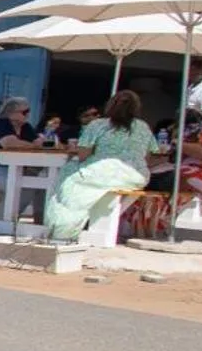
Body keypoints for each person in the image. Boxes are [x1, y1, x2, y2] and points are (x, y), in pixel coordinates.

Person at [45, 89, 156, 241]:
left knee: (69, 179)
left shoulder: (98, 125)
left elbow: (83, 154)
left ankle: (61, 229)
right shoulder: (143, 127)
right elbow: (148, 157)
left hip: (105, 171)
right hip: (136, 176)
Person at [0, 97, 42, 195]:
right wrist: (33, 145)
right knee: (17, 188)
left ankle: (30, 210)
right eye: (25, 112)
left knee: (37, 182)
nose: (28, 115)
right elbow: (10, 143)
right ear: (11, 112)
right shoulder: (1, 124)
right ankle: (7, 209)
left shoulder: (26, 127)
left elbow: (39, 142)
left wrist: (39, 142)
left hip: (12, 169)